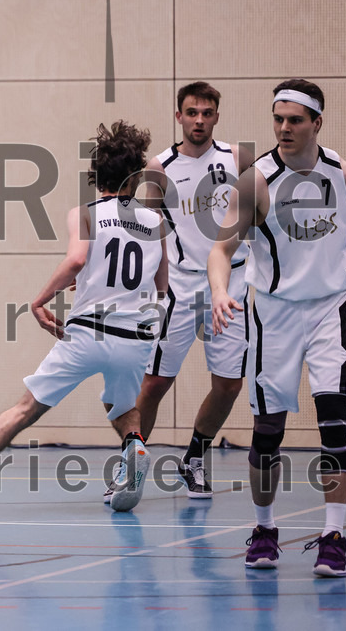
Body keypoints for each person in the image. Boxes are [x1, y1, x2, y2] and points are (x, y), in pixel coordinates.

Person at [0, 122, 167, 514]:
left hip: (88, 334)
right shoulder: (155, 222)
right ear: (137, 175)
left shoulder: (86, 213)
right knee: (124, 407)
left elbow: (77, 258)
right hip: (134, 337)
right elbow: (159, 287)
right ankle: (134, 445)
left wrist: (40, 299)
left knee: (24, 410)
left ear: (97, 175)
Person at [210, 79, 346, 577]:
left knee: (335, 425)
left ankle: (333, 535)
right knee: (267, 433)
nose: (283, 127)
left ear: (317, 123)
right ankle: (264, 528)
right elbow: (220, 250)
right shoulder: (256, 180)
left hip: (331, 307)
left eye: (295, 120)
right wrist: (220, 291)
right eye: (278, 118)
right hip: (275, 312)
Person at [132, 82, 253, 500]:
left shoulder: (238, 158)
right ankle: (132, 467)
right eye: (191, 112)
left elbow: (261, 213)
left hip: (233, 284)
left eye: (206, 112)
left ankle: (195, 457)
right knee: (154, 383)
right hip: (181, 287)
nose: (199, 120)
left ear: (217, 116)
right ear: (178, 116)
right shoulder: (160, 166)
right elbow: (148, 229)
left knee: (229, 385)